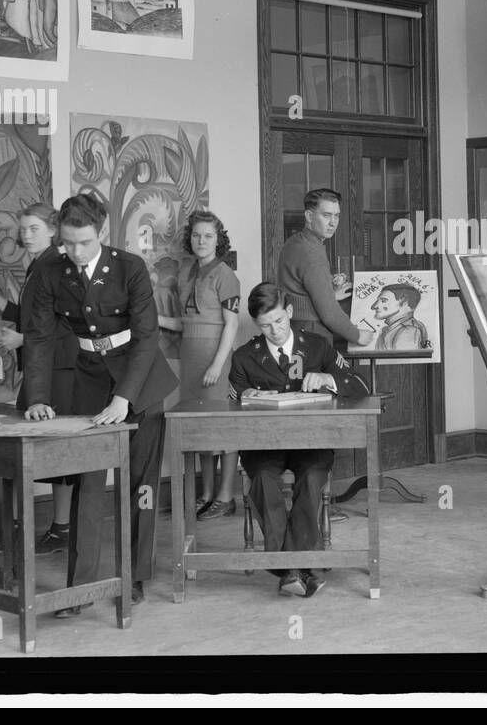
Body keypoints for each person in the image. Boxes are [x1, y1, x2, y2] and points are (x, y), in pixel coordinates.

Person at [22, 192, 178, 614]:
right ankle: (80, 590)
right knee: (88, 485)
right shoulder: (50, 269)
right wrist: (37, 397)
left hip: (141, 382)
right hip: (88, 379)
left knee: (140, 485)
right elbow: (37, 336)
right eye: (67, 243)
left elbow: (147, 338)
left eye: (84, 243)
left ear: (102, 232)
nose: (74, 252)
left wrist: (125, 397)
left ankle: (136, 576)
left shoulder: (130, 267)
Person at [228, 283, 371, 598]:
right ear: (256, 324)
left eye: (279, 321)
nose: (275, 331)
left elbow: (360, 383)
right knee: (263, 481)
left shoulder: (317, 346)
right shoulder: (244, 357)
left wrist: (328, 379)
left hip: (312, 442)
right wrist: (245, 396)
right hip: (263, 445)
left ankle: (291, 569)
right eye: (266, 326)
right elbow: (233, 397)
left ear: (289, 313)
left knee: (311, 478)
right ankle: (306, 568)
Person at [0, 203, 78, 555]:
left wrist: (23, 340)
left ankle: (62, 527)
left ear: (53, 230)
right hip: (45, 368)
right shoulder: (40, 264)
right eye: (23, 229)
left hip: (58, 372)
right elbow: (39, 316)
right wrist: (5, 306)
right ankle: (58, 527)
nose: (26, 235)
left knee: (60, 453)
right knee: (55, 452)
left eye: (34, 228)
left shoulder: (56, 266)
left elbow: (66, 326)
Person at [157, 211, 241, 521]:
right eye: (196, 235)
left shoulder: (226, 275)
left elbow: (230, 326)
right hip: (191, 357)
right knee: (199, 426)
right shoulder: (187, 273)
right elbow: (185, 322)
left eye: (207, 236)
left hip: (214, 358)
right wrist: (154, 320)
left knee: (222, 427)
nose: (201, 241)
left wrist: (218, 365)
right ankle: (206, 495)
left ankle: (225, 496)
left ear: (218, 240)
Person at [276, 188, 375, 348]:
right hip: (311, 330)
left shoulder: (295, 242)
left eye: (336, 216)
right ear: (309, 216)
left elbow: (298, 289)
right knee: (317, 374)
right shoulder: (311, 251)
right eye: (326, 215)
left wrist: (330, 291)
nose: (333, 222)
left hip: (295, 327)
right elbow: (329, 314)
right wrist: (357, 335)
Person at [371, 284, 430, 350]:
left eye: (384, 300)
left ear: (405, 303)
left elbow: (404, 360)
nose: (374, 306)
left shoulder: (409, 330)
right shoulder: (387, 330)